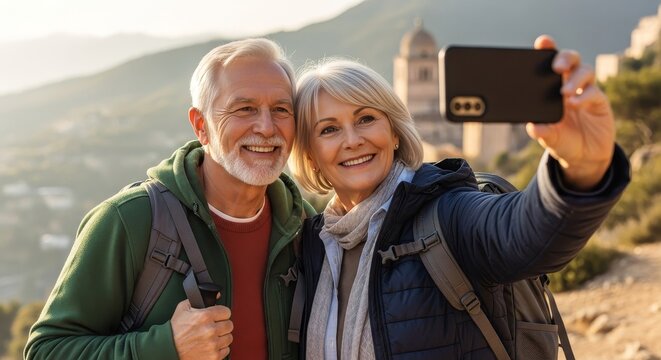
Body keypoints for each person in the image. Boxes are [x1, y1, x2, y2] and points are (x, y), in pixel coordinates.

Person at [288, 35, 630, 359]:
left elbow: (522, 231)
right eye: (329, 129)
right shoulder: (314, 245)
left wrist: (582, 168)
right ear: (310, 154)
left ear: (394, 133)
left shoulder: (447, 214)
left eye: (366, 118)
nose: (352, 139)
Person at [25, 38, 313, 360]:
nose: (266, 126)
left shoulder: (304, 226)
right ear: (201, 126)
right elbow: (46, 352)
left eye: (281, 109)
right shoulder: (129, 221)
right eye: (244, 108)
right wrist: (165, 347)